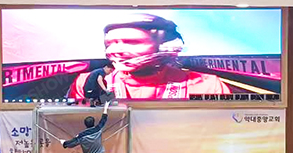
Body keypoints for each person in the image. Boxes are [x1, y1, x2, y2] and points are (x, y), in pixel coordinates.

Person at [67, 14, 232, 100]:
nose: (116, 50)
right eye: (110, 43)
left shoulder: (207, 86)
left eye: (132, 42)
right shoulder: (88, 83)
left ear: (165, 44)